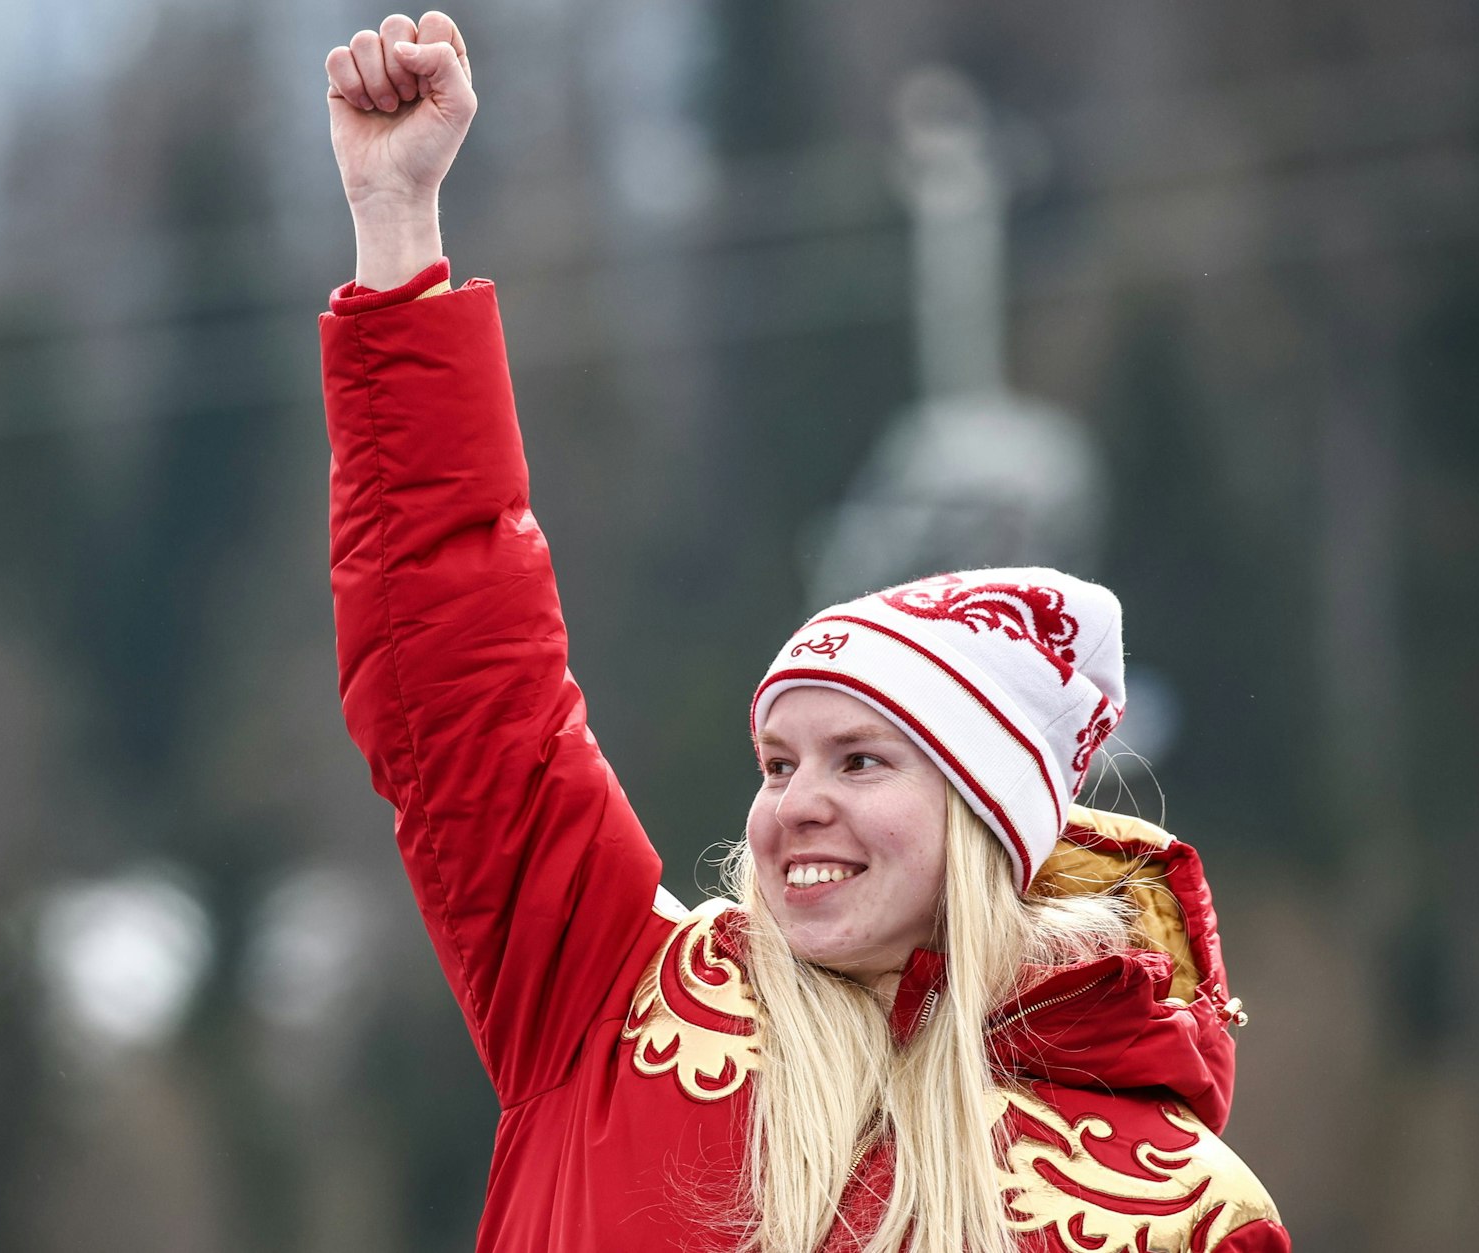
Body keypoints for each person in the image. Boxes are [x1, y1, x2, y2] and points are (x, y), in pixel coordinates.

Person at [320, 12, 1289, 1251]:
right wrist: (397, 231)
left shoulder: (1175, 1209)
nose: (793, 806)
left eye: (860, 759)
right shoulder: (611, 997)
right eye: (779, 762)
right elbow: (458, 691)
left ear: (983, 818)